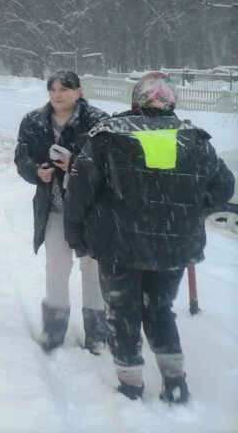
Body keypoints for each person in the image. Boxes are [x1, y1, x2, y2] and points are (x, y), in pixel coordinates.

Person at [64, 72, 234, 403]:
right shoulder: (194, 139)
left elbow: (80, 190)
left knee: (122, 312)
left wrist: (75, 232)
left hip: (119, 246)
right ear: (172, 102)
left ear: (135, 100)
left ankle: (131, 384)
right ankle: (175, 383)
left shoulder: (108, 136)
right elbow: (224, 187)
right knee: (159, 311)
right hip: (172, 246)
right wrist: (189, 210)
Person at [14, 70, 109, 354]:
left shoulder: (98, 121)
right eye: (53, 89)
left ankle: (97, 334)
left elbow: (110, 163)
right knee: (56, 268)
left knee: (91, 269)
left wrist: (78, 165)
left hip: (91, 210)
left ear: (78, 92)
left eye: (65, 89)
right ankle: (54, 329)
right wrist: (35, 171)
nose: (58, 94)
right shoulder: (33, 121)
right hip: (54, 207)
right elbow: (21, 156)